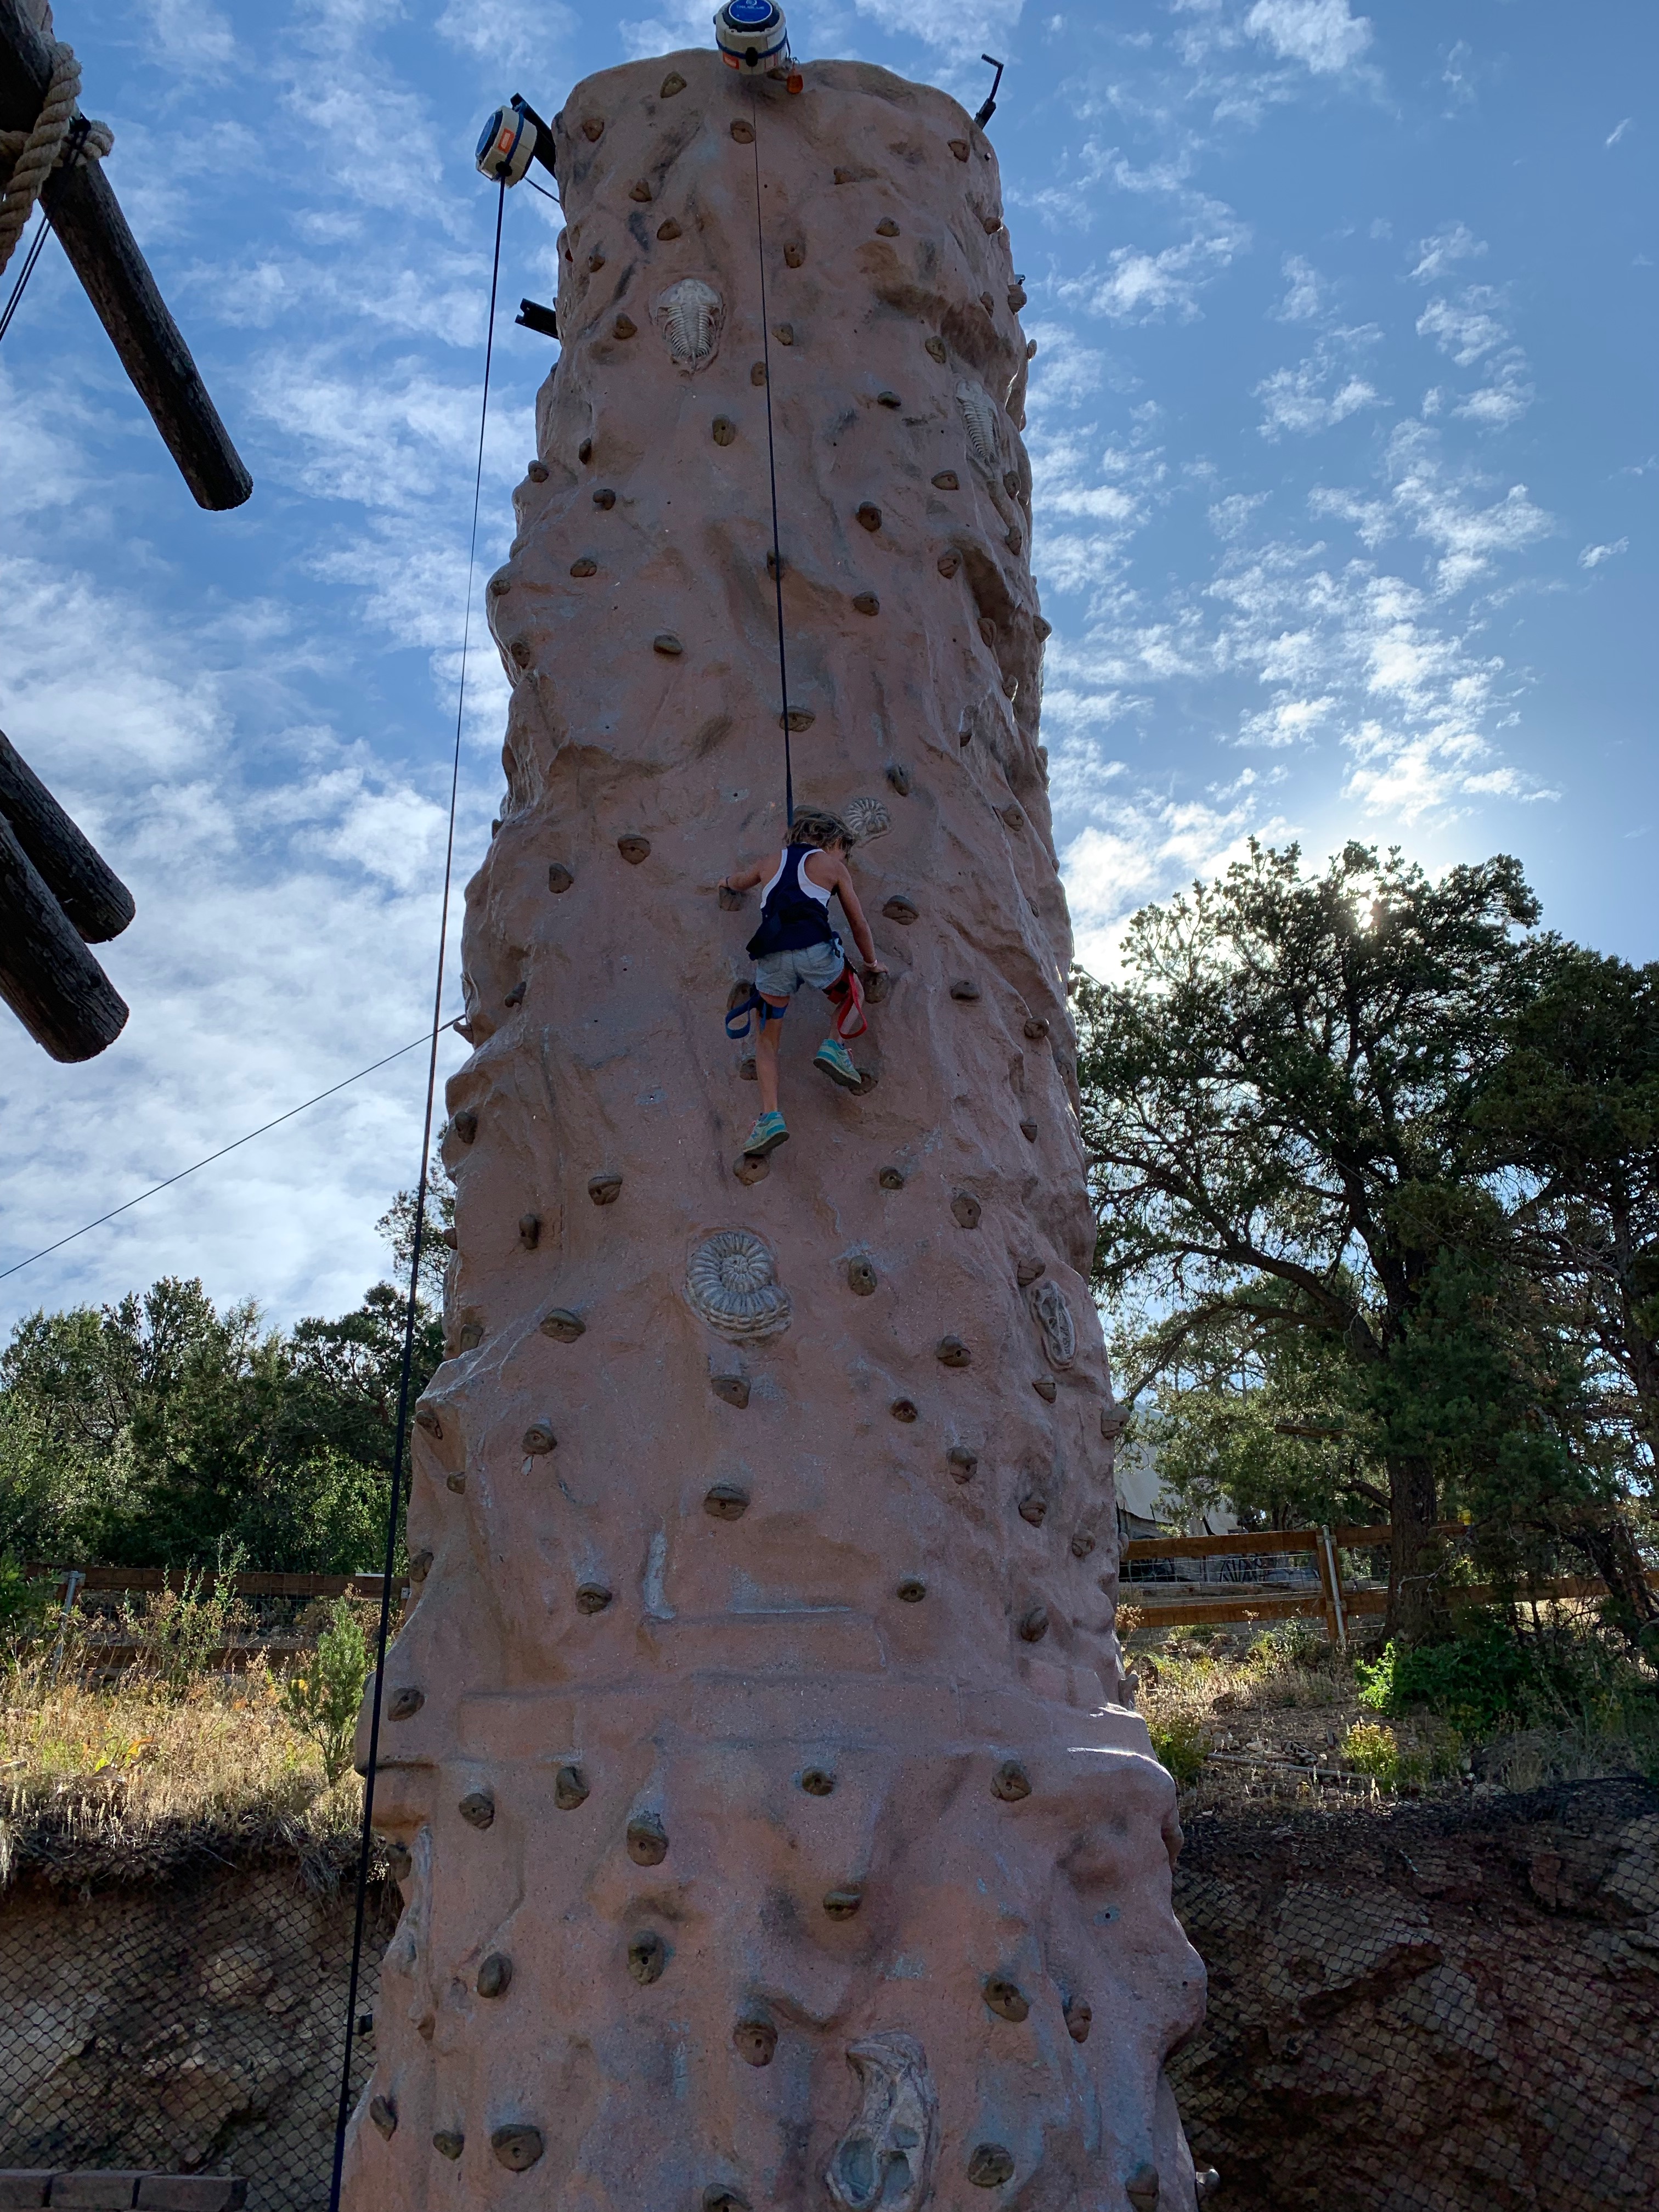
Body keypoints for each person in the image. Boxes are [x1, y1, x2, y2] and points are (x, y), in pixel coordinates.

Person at [720, 809, 885, 1159]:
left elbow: (740, 881)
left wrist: (725, 884)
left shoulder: (769, 862)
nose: (844, 858)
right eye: (844, 850)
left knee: (766, 1040)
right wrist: (871, 963)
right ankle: (834, 1047)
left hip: (772, 955)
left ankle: (770, 1117)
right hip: (814, 949)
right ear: (833, 841)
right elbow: (858, 924)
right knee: (853, 992)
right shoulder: (832, 866)